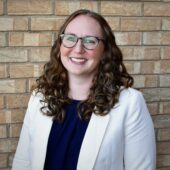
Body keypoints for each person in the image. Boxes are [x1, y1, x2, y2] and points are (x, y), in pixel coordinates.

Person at [12, 9, 156, 170]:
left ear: (105, 50)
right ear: (60, 46)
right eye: (70, 38)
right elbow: (22, 163)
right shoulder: (39, 98)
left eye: (89, 40)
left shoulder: (130, 103)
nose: (78, 48)